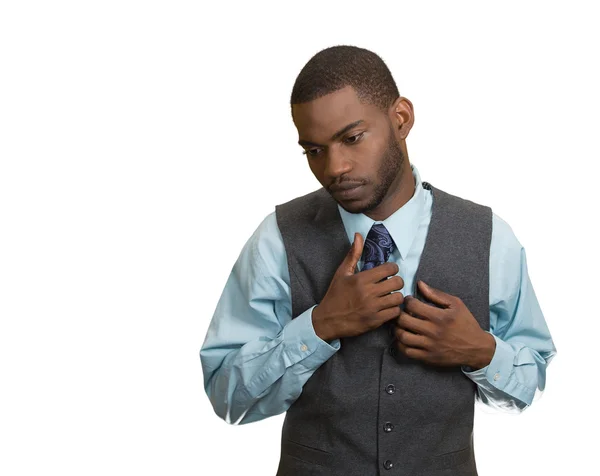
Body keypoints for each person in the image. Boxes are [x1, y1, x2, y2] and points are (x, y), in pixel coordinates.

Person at [199, 45, 557, 475]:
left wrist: (479, 350)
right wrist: (319, 326)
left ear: (401, 119)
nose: (335, 167)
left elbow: (528, 385)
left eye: (352, 138)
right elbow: (227, 396)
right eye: (314, 150)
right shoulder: (277, 237)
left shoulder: (490, 236)